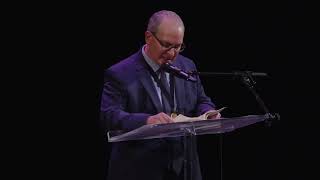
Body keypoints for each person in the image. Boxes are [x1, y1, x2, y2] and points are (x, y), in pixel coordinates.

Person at [100, 10, 221, 180]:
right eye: (166, 45)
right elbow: (109, 115)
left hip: (185, 169)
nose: (172, 54)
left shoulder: (187, 65)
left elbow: (201, 99)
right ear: (148, 37)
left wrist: (208, 112)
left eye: (178, 46)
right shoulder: (120, 73)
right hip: (140, 170)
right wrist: (147, 121)